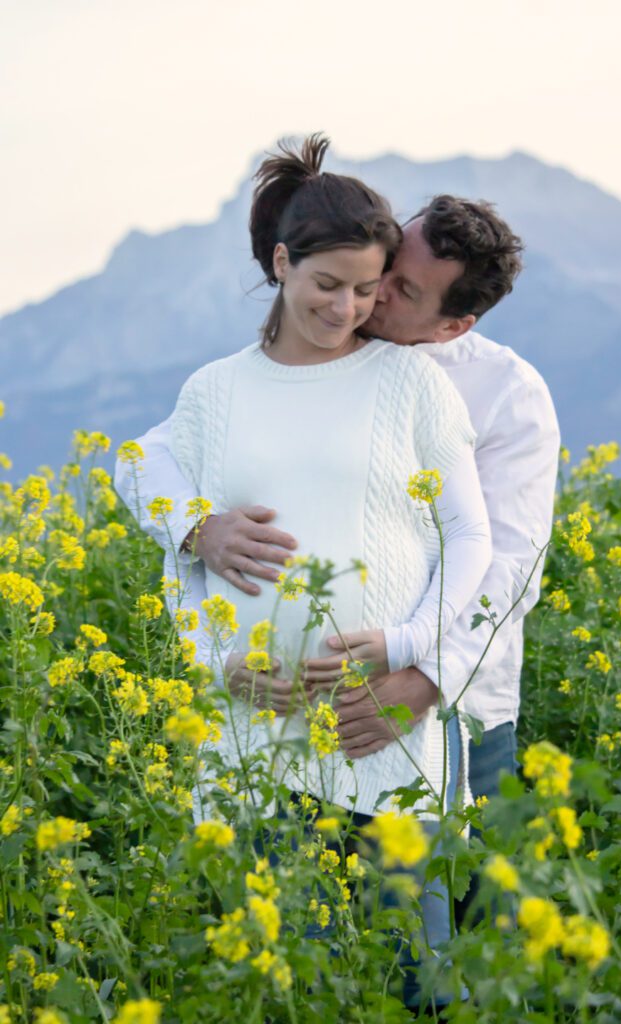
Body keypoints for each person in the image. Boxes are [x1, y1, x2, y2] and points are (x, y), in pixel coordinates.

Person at [115, 186, 560, 814]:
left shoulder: (506, 394)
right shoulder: (308, 358)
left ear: (452, 325)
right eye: (384, 269)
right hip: (294, 724)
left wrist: (423, 678)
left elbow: (508, 563)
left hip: (462, 707)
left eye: (399, 291)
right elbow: (144, 461)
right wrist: (199, 530)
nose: (370, 294)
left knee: (464, 900)